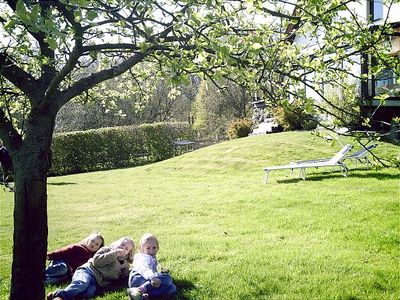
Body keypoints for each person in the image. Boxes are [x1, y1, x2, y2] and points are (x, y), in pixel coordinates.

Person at [47, 236, 134, 300]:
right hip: (87, 271)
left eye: (126, 248)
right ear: (117, 243)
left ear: (128, 254)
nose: (123, 248)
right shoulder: (107, 250)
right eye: (122, 244)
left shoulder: (125, 265)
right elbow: (97, 262)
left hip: (96, 281)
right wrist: (115, 254)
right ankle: (61, 297)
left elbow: (122, 278)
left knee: (88, 293)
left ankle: (56, 294)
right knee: (81, 283)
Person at [127, 233, 177, 300]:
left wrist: (160, 272)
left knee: (172, 287)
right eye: (148, 248)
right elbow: (144, 268)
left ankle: (143, 296)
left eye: (154, 247)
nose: (151, 251)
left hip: (145, 279)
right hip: (138, 278)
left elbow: (153, 269)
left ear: (158, 247)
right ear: (142, 249)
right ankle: (139, 290)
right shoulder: (142, 257)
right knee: (167, 278)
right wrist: (152, 277)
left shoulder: (151, 257)